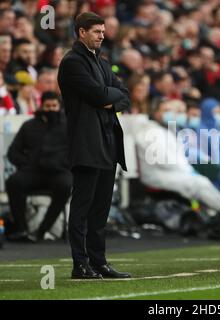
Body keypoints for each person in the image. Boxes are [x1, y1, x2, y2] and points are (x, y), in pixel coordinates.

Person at [57, 12, 131, 280]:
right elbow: (100, 95)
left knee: (100, 209)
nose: (102, 35)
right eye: (97, 31)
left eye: (103, 30)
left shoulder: (101, 62)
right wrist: (109, 97)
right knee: (82, 208)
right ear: (81, 32)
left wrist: (110, 98)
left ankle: (99, 262)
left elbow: (124, 95)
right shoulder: (72, 63)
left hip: (107, 142)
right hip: (87, 142)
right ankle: (80, 264)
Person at [5, 91, 72, 242]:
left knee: (66, 185)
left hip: (59, 171)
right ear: (41, 105)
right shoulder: (29, 126)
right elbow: (13, 152)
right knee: (13, 182)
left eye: (54, 106)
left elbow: (77, 151)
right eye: (47, 106)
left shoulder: (68, 126)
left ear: (59, 106)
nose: (51, 109)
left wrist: (65, 164)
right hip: (33, 171)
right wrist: (27, 163)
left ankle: (43, 228)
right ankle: (22, 228)